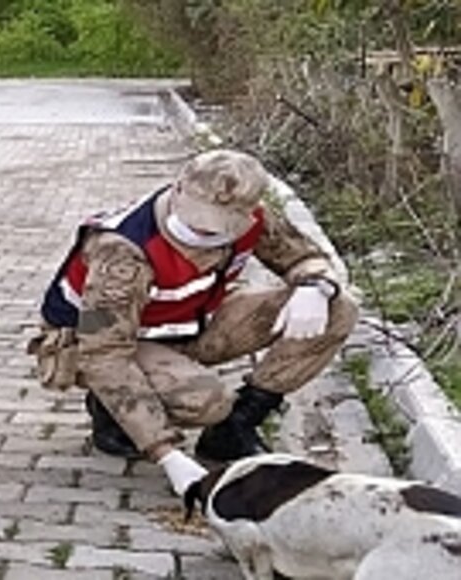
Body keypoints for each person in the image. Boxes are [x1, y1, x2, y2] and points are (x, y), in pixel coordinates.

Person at [29, 149, 359, 495]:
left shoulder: (255, 219)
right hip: (100, 343)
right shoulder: (122, 250)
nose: (201, 229)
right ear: (178, 189)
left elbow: (304, 256)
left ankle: (235, 428)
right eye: (195, 216)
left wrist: (315, 285)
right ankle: (114, 414)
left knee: (339, 308)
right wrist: (165, 453)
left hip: (188, 323)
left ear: (246, 214)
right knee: (206, 401)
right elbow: (104, 354)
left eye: (219, 225)